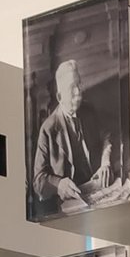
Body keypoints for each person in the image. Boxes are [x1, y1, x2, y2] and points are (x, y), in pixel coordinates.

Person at [31, 58, 114, 215]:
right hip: (70, 206)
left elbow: (106, 136)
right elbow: (38, 181)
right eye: (72, 87)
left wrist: (105, 162)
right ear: (60, 97)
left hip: (97, 192)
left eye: (79, 84)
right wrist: (59, 184)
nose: (78, 91)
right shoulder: (48, 129)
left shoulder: (88, 110)